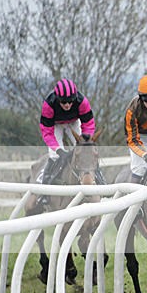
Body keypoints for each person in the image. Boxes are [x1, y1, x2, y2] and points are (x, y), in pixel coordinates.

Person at [36, 78, 98, 206]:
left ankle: (100, 179)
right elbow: (47, 132)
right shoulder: (49, 104)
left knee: (87, 151)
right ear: (58, 99)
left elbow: (88, 124)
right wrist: (58, 150)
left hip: (74, 122)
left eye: (70, 101)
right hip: (56, 125)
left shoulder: (82, 101)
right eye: (64, 102)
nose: (68, 105)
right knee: (54, 156)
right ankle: (44, 192)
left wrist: (86, 139)